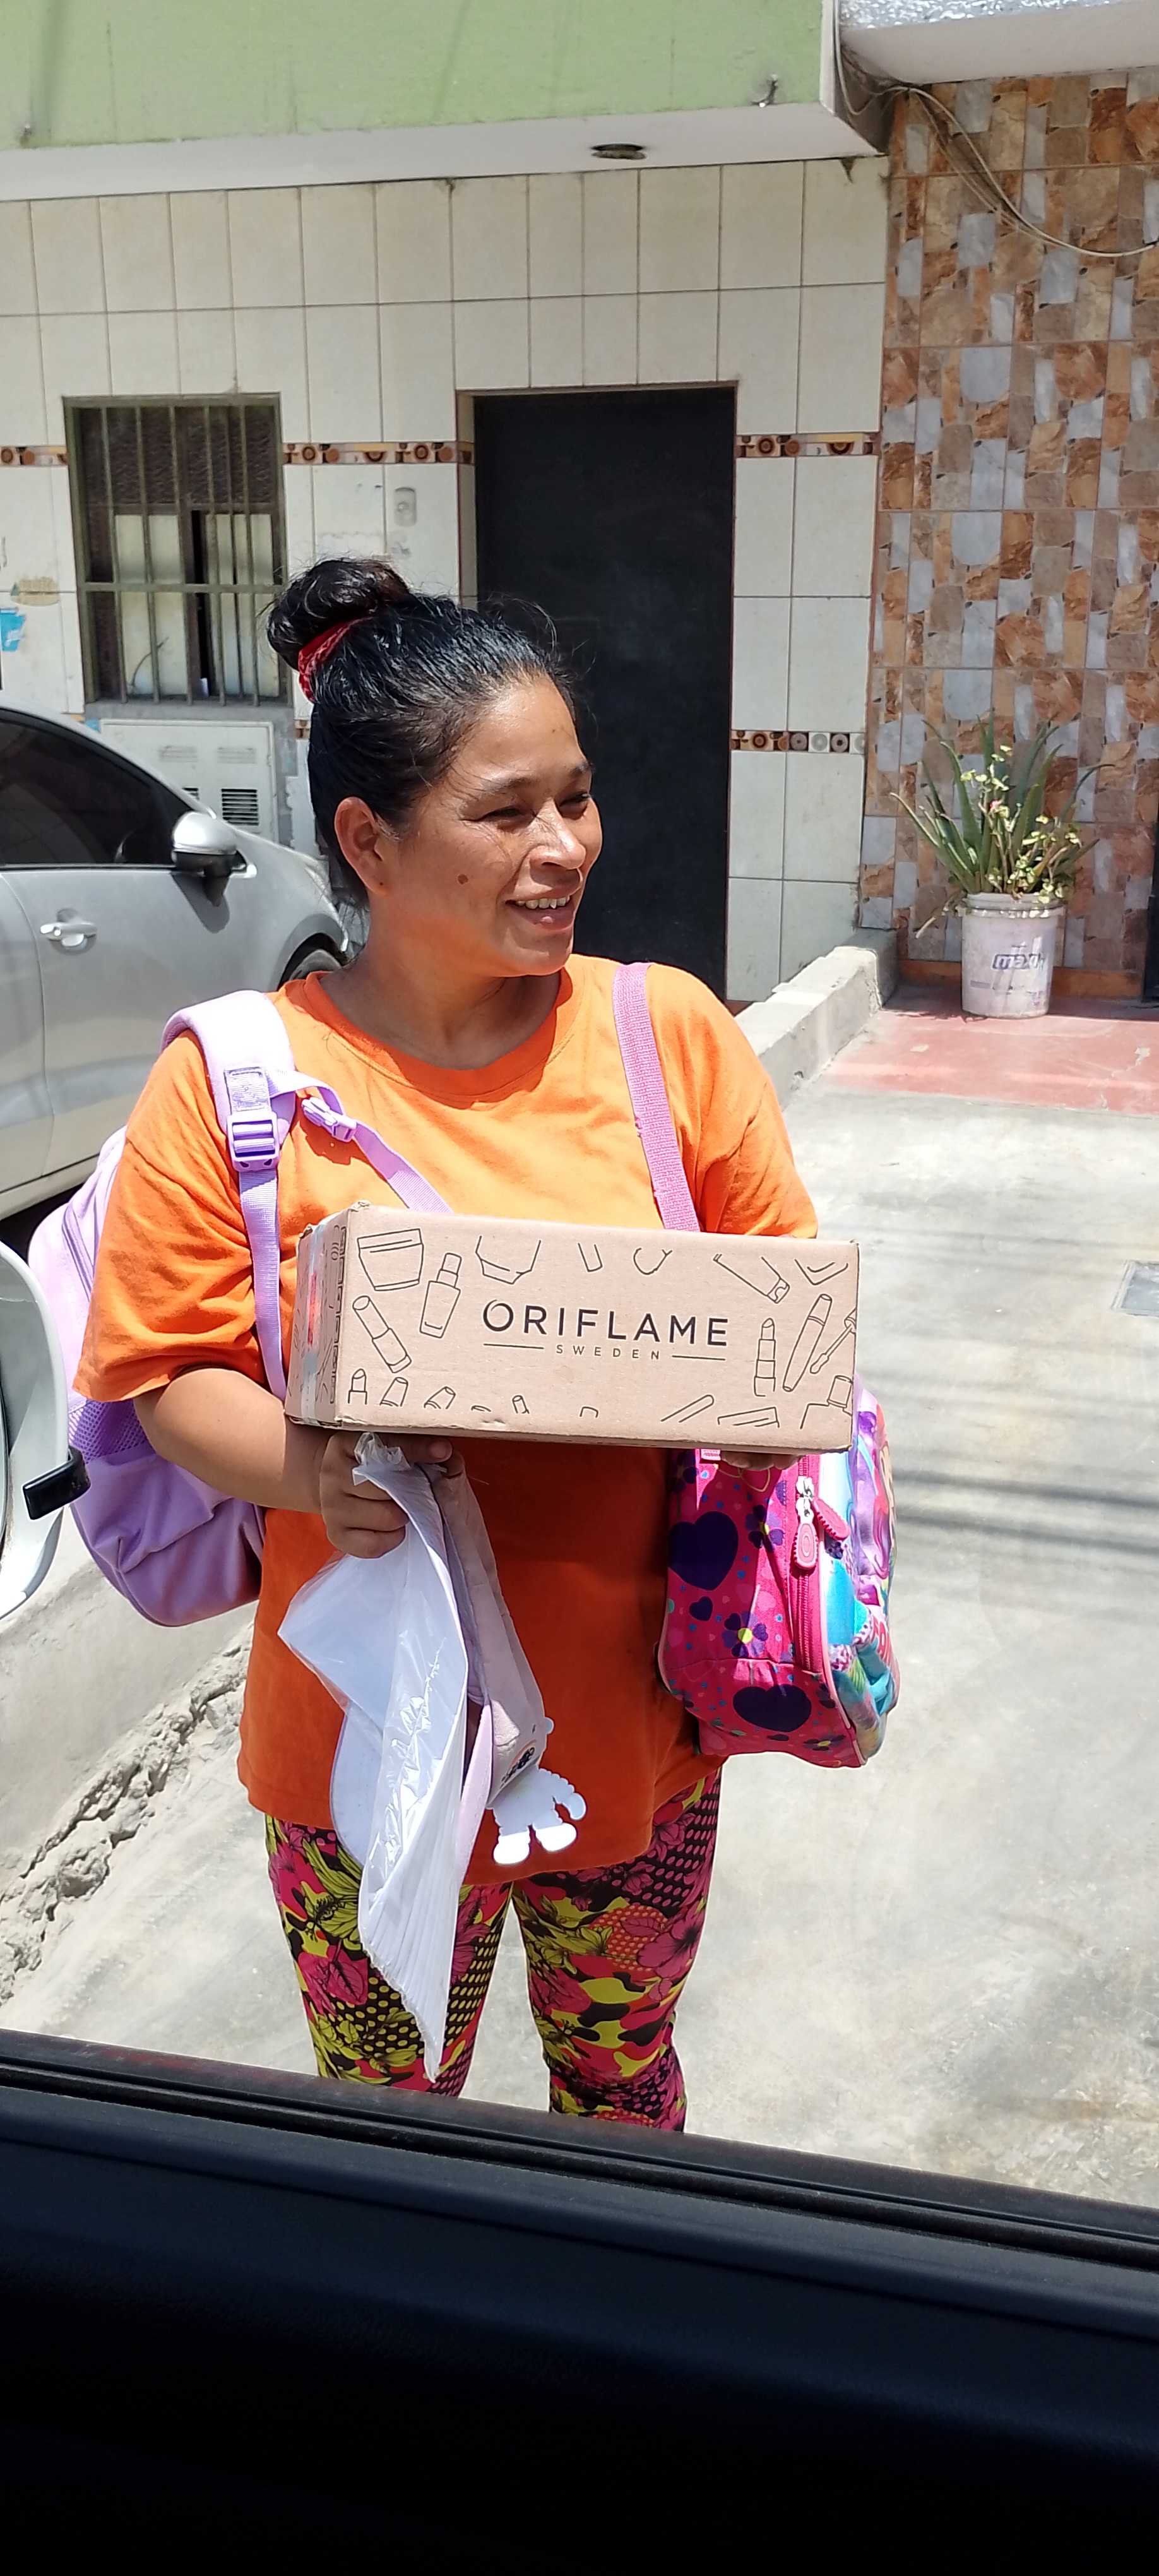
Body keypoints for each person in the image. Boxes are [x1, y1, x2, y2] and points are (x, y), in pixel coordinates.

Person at [76, 558, 817, 2128]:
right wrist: (312, 1474)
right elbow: (167, 1374)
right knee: (386, 2118)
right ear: (369, 841)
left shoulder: (668, 1038)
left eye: (579, 799)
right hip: (364, 1755)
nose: (566, 849)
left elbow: (780, 1325)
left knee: (620, 2083)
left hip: (633, 1733)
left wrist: (764, 1416)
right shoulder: (242, 1081)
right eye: (507, 812)